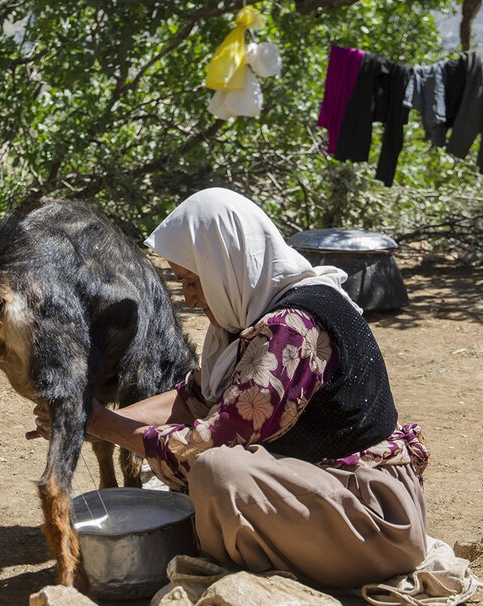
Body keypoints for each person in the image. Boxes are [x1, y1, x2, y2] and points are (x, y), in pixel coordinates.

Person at [83, 187, 430, 589]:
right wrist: (88, 421)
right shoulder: (248, 320)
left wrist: (103, 424)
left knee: (218, 472)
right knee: (216, 473)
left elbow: (208, 443)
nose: (191, 300)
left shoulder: (290, 328)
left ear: (224, 265)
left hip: (375, 518)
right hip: (338, 500)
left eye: (192, 281)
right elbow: (192, 398)